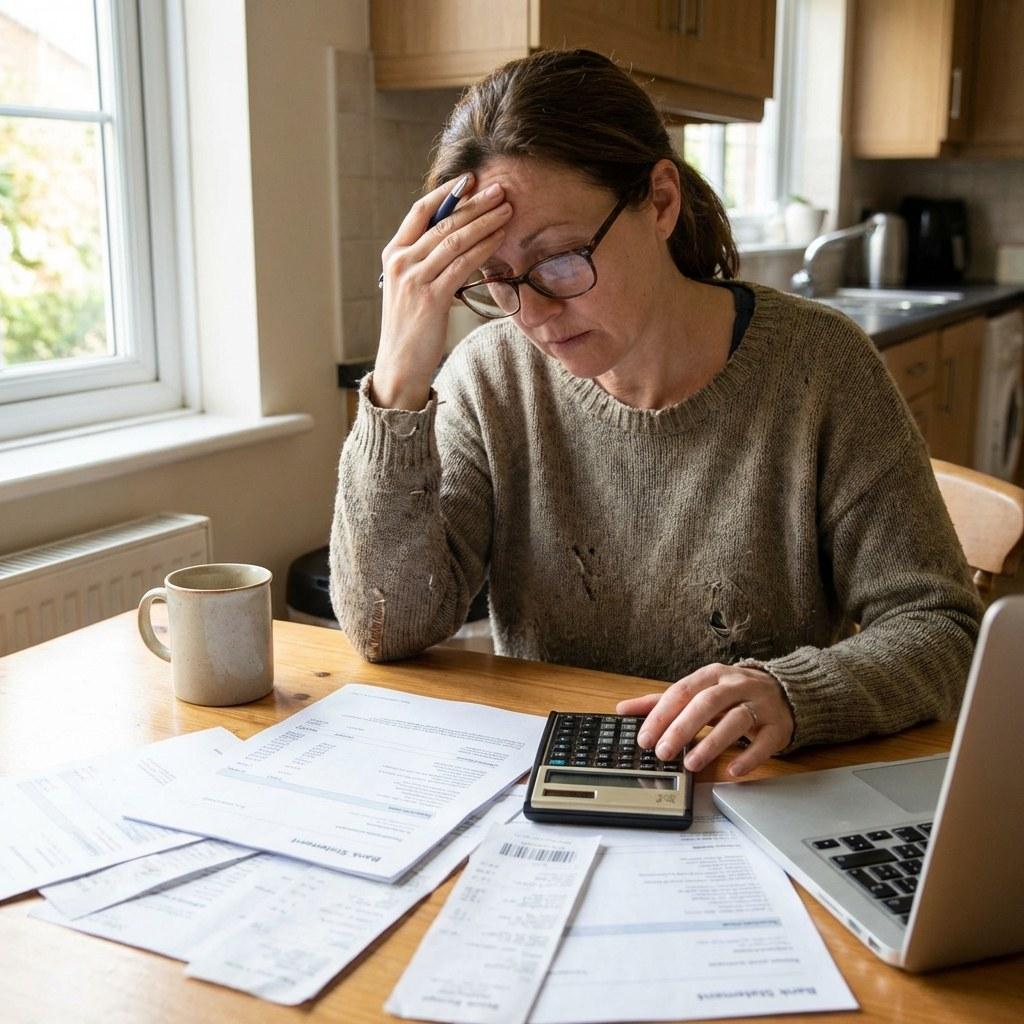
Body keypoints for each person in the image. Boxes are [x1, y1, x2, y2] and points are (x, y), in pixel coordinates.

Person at [330, 48, 982, 778]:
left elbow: (940, 627)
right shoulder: (491, 377)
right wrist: (397, 382)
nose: (535, 313)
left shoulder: (820, 368)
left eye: (561, 259)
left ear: (661, 202)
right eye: (497, 280)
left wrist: (790, 693)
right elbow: (387, 629)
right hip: (564, 794)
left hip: (755, 788)